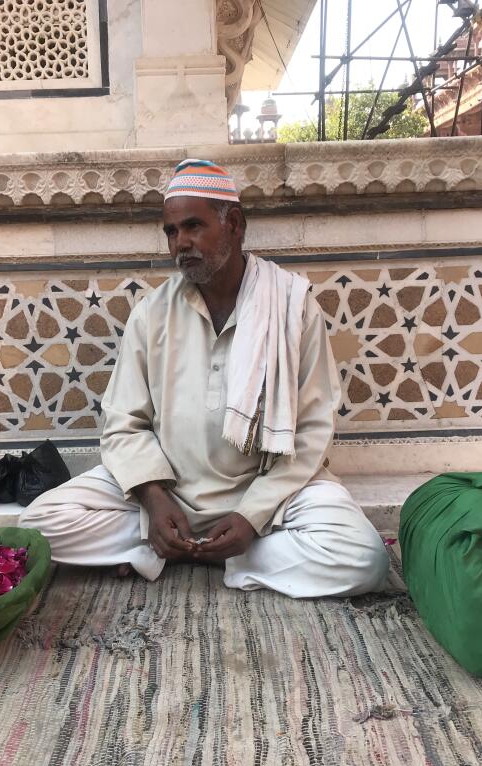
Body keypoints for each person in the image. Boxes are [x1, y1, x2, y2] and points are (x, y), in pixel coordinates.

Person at [19, 159, 388, 598]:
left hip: (268, 493)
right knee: (36, 527)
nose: (181, 243)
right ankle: (179, 542)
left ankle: (204, 552)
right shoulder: (153, 313)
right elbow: (122, 422)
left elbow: (312, 430)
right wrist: (153, 497)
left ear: (235, 224)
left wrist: (252, 516)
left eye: (193, 226)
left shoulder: (292, 306)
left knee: (365, 558)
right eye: (171, 232)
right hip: (168, 493)